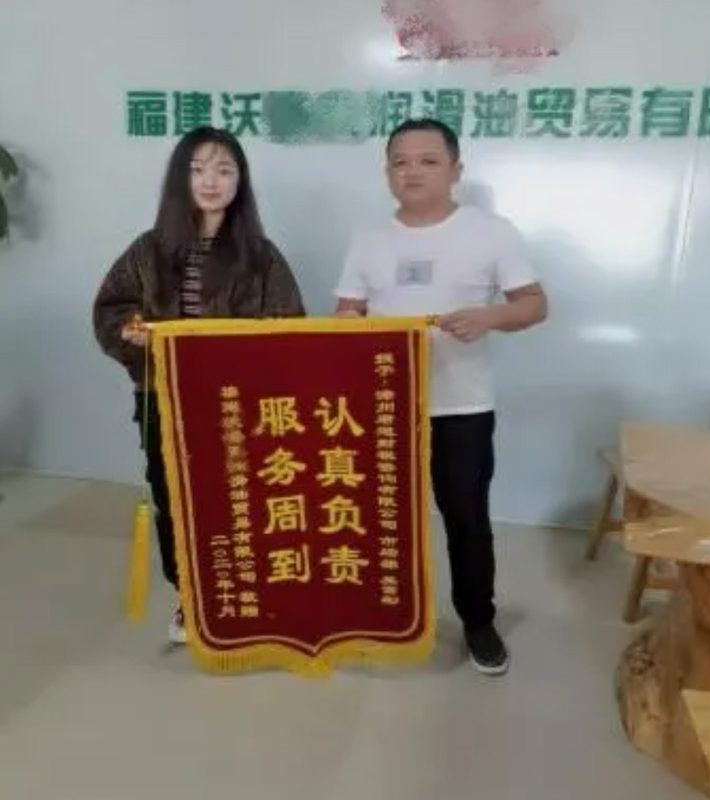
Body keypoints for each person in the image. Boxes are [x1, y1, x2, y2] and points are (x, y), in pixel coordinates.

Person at [334, 118, 547, 675]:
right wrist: (351, 325)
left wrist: (488, 317)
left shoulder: (492, 232)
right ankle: (376, 613)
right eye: (400, 162)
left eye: (428, 161)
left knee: (465, 517)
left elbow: (534, 304)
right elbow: (347, 310)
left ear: (456, 170)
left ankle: (478, 621)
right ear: (387, 173)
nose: (413, 172)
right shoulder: (368, 238)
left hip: (461, 407)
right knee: (372, 516)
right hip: (382, 409)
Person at [93, 126, 305, 644]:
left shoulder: (261, 255)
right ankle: (190, 596)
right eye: (198, 169)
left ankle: (246, 591)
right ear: (180, 178)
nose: (211, 181)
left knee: (240, 498)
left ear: (240, 181)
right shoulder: (148, 250)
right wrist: (132, 333)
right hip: (164, 399)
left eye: (224, 170)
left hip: (238, 405)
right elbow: (112, 308)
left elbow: (289, 326)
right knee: (175, 499)